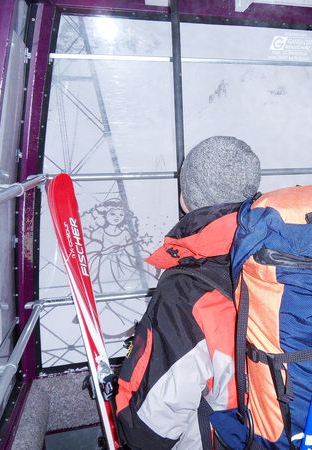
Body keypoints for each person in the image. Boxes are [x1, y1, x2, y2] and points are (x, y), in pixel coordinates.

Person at [115, 136, 261, 450]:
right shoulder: (280, 256)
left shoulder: (184, 292)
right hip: (290, 430)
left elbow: (148, 431)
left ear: (185, 199)